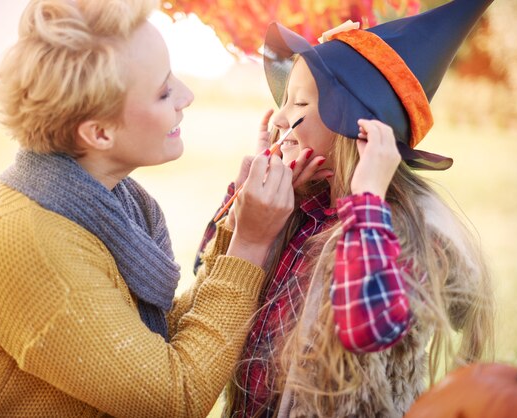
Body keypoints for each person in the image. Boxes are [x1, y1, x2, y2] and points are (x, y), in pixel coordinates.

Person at [0, 0, 322, 416]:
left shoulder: (104, 204)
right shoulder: (34, 246)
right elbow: (175, 398)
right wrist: (250, 244)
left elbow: (145, 344)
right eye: (164, 91)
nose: (186, 96)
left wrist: (240, 223)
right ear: (98, 132)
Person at [196, 0, 495, 416]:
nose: (280, 118)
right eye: (285, 100)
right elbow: (206, 277)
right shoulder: (301, 206)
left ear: (358, 124)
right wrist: (245, 200)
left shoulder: (401, 230)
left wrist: (367, 199)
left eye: (300, 104)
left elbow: (368, 330)